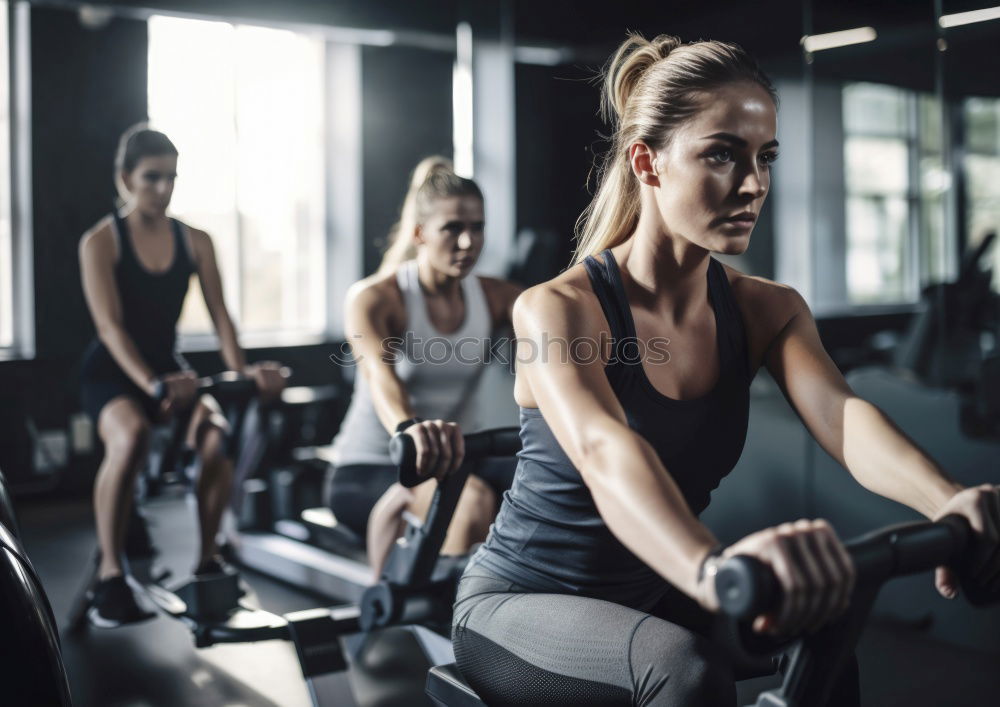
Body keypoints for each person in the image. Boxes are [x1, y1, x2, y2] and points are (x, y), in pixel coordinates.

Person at [450, 33, 1000, 706]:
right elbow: (603, 449)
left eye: (765, 157)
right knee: (683, 670)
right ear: (647, 163)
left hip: (653, 588)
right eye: (722, 154)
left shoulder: (768, 309)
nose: (754, 184)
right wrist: (710, 568)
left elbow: (842, 416)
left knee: (825, 645)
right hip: (522, 602)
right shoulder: (559, 307)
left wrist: (945, 497)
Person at [79, 124, 286, 627]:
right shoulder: (101, 241)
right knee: (130, 437)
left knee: (215, 435)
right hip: (113, 371)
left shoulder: (196, 240)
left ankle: (208, 561)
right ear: (126, 178)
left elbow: (221, 315)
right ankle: (110, 574)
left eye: (171, 178)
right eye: (151, 178)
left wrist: (242, 373)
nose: (163, 189)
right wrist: (151, 385)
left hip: (170, 370)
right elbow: (109, 327)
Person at [327, 157, 522, 579]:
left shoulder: (495, 297)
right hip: (376, 464)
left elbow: (552, 353)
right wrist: (407, 428)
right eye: (453, 228)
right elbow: (381, 377)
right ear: (420, 234)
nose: (469, 242)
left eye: (478, 227)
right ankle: (452, 621)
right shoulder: (378, 298)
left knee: (557, 484)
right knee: (469, 501)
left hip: (457, 457)